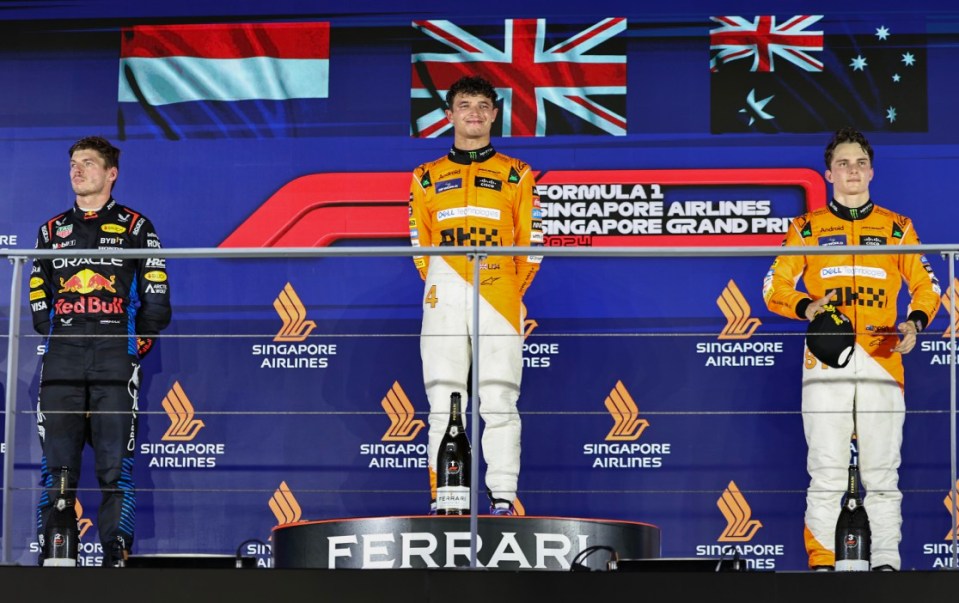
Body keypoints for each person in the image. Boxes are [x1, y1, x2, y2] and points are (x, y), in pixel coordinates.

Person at [763, 127, 941, 571]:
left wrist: (916, 322)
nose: (853, 170)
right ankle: (823, 562)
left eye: (860, 162)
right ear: (828, 174)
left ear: (872, 171)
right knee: (825, 470)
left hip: (884, 357)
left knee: (882, 473)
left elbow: (927, 285)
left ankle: (884, 561)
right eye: (843, 163)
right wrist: (806, 306)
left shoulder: (899, 227)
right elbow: (774, 285)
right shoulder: (805, 227)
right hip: (826, 360)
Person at [29, 136, 172, 566]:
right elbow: (38, 296)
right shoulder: (50, 231)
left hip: (114, 357)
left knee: (115, 467)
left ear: (111, 173)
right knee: (58, 467)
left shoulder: (136, 227)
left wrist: (128, 346)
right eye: (73, 163)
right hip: (62, 357)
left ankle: (116, 557)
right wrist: (57, 334)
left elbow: (157, 304)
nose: (77, 170)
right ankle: (56, 556)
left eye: (88, 163)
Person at [408, 76, 542, 515]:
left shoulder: (517, 172)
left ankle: (502, 496)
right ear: (449, 115)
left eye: (484, 105)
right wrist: (444, 285)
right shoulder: (425, 176)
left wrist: (506, 288)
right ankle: (445, 496)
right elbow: (419, 246)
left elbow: (531, 243)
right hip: (442, 292)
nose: (475, 113)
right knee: (443, 398)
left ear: (495, 114)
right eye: (465, 104)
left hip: (500, 293)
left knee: (500, 398)